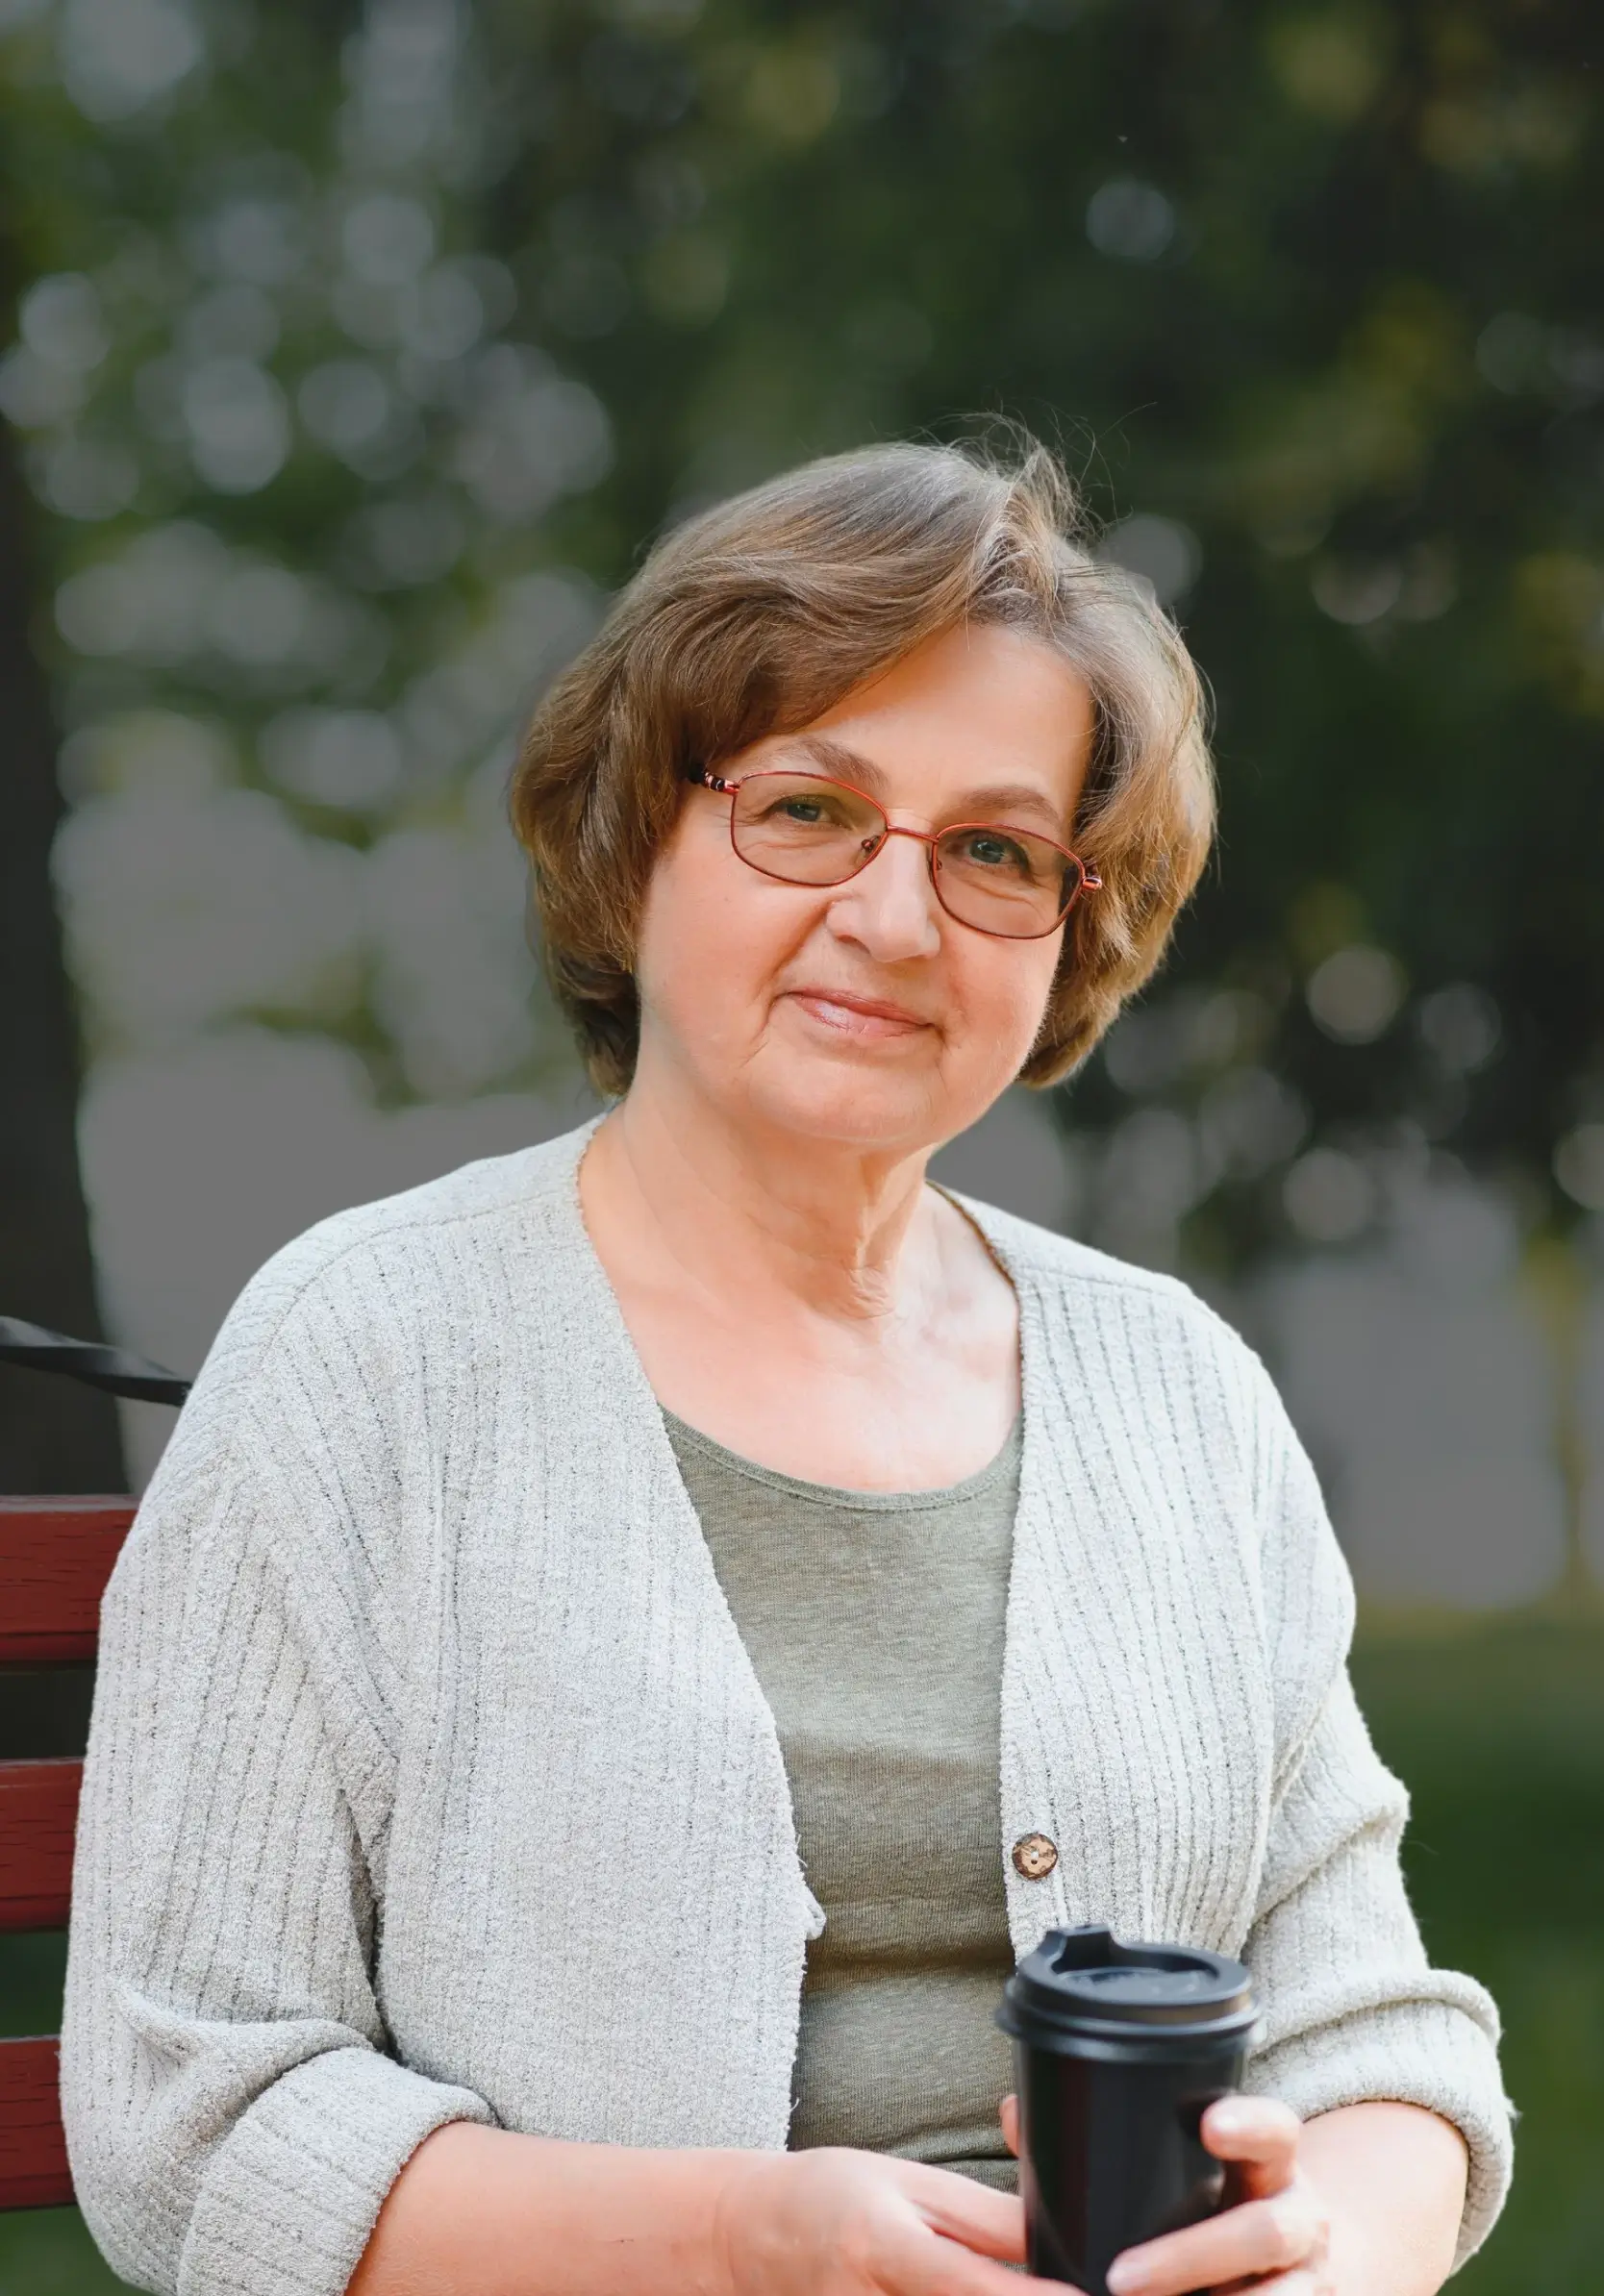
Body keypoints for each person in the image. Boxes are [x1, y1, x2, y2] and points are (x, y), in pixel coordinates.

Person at [63, 439, 1511, 2296]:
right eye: (810, 809)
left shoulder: (1179, 1396)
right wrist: (740, 2248)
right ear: (638, 829)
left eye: (994, 849)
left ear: (1072, 921)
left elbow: (1375, 2039)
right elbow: (190, 2117)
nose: (897, 920)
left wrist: (1338, 2263)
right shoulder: (362, 1363)